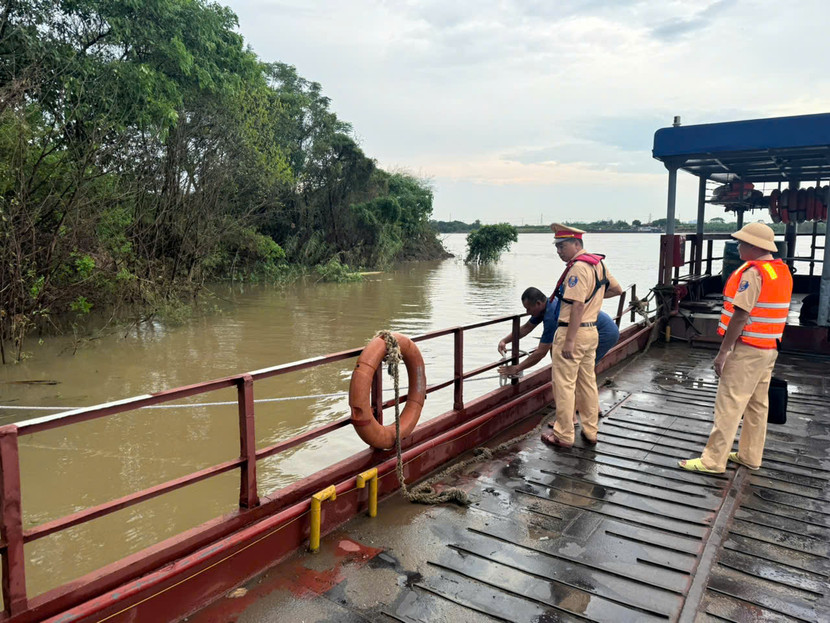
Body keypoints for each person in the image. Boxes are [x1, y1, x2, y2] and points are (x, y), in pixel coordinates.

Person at [679, 222, 792, 474]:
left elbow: (740, 316)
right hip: (769, 347)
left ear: (754, 246)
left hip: (748, 348)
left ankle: (712, 461)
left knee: (729, 403)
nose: (738, 246)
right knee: (757, 404)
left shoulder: (753, 273)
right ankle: (750, 455)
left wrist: (724, 351)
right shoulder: (779, 271)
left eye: (742, 242)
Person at [538, 224, 622, 448]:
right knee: (587, 383)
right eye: (557, 246)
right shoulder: (598, 264)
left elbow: (576, 305)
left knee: (564, 385)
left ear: (577, 244)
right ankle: (591, 431)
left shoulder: (577, 268)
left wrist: (570, 340)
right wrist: (593, 304)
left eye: (562, 246)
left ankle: (564, 435)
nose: (559, 251)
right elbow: (617, 289)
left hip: (572, 331)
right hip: (591, 331)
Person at [496, 287, 620, 387]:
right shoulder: (547, 305)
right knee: (576, 370)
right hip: (595, 329)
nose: (528, 312)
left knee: (582, 372)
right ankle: (583, 406)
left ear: (538, 303)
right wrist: (505, 340)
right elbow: (527, 327)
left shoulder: (551, 316)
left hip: (604, 332)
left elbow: (540, 352)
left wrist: (516, 368)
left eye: (528, 308)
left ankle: (577, 410)